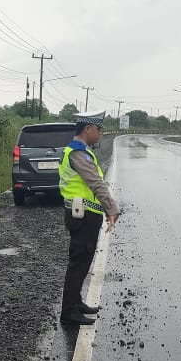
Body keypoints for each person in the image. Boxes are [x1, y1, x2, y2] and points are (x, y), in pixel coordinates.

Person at [58, 112, 120, 326]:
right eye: (99, 129)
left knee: (83, 262)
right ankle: (69, 312)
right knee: (78, 263)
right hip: (82, 216)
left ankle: (75, 303)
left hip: (85, 214)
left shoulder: (82, 152)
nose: (100, 133)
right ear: (88, 129)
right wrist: (112, 209)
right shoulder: (78, 154)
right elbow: (95, 183)